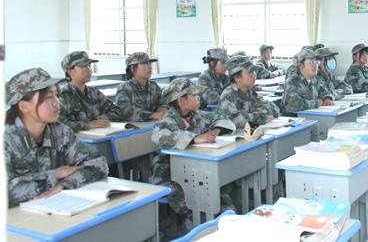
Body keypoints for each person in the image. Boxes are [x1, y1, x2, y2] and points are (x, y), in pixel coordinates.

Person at [5, 68, 109, 207]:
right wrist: (55, 175)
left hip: (53, 208)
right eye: (48, 97)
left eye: (56, 95)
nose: (57, 102)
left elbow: (99, 164)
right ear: (24, 106)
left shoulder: (60, 131)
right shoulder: (6, 139)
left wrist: (64, 184)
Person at [150, 78, 235, 229]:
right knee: (194, 203)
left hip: (198, 172)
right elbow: (157, 138)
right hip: (171, 176)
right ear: (181, 101)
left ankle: (224, 226)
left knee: (222, 200)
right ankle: (197, 230)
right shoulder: (168, 120)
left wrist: (215, 130)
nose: (198, 98)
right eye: (194, 95)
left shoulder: (197, 115)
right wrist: (194, 138)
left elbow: (223, 118)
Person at [58, 51, 123, 132]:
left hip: (100, 135)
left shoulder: (94, 93)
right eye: (83, 66)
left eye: (89, 65)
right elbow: (57, 125)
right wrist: (87, 125)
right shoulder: (62, 96)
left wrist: (101, 120)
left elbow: (116, 111)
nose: (88, 70)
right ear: (70, 71)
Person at [216, 55, 280, 128]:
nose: (254, 76)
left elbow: (275, 109)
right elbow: (235, 120)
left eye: (254, 72)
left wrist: (252, 115)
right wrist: (261, 117)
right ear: (237, 77)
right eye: (249, 73)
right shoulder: (229, 95)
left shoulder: (250, 91)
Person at [115, 52, 167, 121]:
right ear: (133, 68)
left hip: (152, 124)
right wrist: (152, 115)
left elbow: (163, 103)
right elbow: (123, 111)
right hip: (133, 125)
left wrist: (162, 110)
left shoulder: (153, 86)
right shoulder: (125, 88)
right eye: (145, 64)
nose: (150, 67)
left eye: (149, 64)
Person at [282, 48, 334, 114]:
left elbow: (324, 91)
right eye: (311, 62)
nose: (315, 65)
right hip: (295, 117)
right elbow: (293, 105)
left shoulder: (314, 80)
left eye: (317, 62)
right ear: (300, 65)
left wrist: (327, 98)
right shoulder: (293, 82)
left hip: (311, 115)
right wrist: (316, 103)